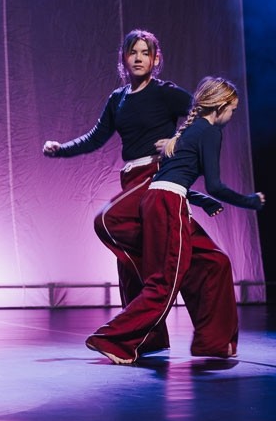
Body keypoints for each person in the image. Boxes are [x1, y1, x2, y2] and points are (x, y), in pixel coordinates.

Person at [43, 30, 221, 355]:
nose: (139, 58)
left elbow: (206, 114)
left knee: (108, 222)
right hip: (132, 179)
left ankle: (210, 339)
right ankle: (154, 338)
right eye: (133, 52)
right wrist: (61, 149)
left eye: (145, 52)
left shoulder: (165, 93)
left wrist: (179, 141)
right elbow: (96, 137)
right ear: (124, 59)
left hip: (156, 178)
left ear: (156, 59)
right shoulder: (118, 99)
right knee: (203, 261)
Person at [86, 77, 264, 364]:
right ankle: (113, 339)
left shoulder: (188, 131)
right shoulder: (210, 132)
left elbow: (171, 177)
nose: (232, 116)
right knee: (164, 284)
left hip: (158, 200)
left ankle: (213, 343)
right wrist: (250, 201)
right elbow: (215, 185)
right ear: (220, 106)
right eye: (232, 110)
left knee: (216, 262)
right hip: (169, 205)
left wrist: (201, 200)